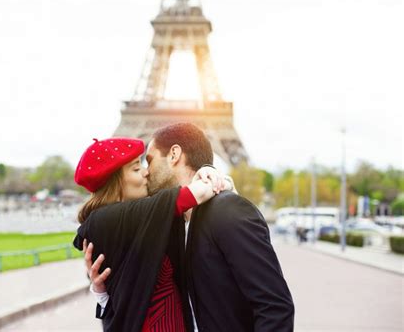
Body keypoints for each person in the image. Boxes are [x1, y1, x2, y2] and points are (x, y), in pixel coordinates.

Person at [86, 123, 295, 331]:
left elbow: (274, 306)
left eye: (149, 161)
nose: (146, 172)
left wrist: (215, 177)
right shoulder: (167, 226)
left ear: (174, 154)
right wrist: (102, 292)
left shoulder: (228, 211)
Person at [72, 137, 231, 332]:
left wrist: (100, 292)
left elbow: (119, 301)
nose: (146, 172)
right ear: (117, 180)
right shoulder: (118, 217)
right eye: (137, 169)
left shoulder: (109, 223)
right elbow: (198, 192)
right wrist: (212, 173)